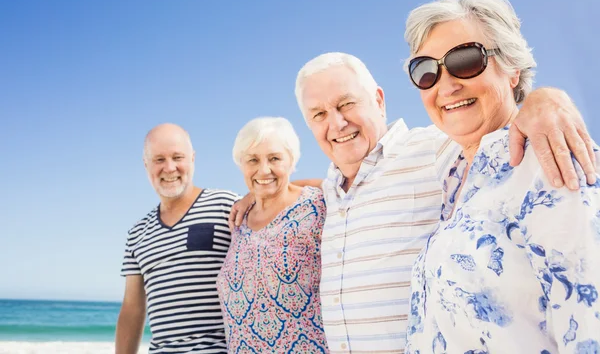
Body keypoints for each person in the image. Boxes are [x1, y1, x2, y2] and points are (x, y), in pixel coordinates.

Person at [232, 49, 597, 352]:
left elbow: (495, 128)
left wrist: (545, 99)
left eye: (347, 104)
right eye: (320, 114)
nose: (337, 123)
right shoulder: (328, 190)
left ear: (378, 99)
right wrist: (261, 191)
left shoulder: (433, 149)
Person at [403, 0, 600, 353]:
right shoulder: (453, 174)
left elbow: (590, 322)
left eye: (464, 60)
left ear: (512, 69)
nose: (445, 85)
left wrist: (547, 98)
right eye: (426, 70)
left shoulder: (549, 159)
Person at [116, 123, 239, 354]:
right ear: (146, 165)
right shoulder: (137, 233)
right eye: (159, 159)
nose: (169, 168)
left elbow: (277, 201)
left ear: (192, 159)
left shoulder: (227, 205)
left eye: (177, 157)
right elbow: (132, 309)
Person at [216, 117, 329, 353]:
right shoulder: (238, 221)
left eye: (275, 158)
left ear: (291, 161)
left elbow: (346, 183)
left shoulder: (317, 204)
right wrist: (252, 196)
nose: (264, 169)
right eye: (253, 160)